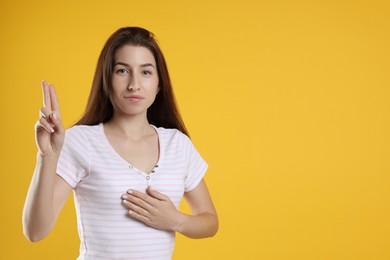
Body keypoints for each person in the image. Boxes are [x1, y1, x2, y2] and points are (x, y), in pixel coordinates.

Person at [23, 27, 218, 259]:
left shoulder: (178, 145)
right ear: (107, 78)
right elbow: (35, 231)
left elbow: (210, 222)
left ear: (159, 83)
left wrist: (176, 220)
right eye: (122, 70)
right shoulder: (81, 141)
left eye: (146, 72)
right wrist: (47, 157)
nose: (134, 84)